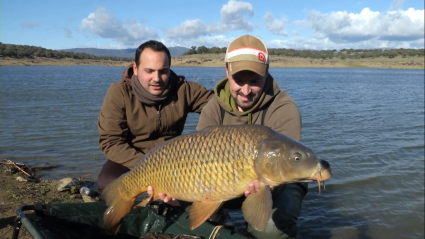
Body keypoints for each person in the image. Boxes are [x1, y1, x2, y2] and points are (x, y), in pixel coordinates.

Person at [195, 35, 308, 239]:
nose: (245, 91)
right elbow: (197, 161)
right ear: (227, 71)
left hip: (278, 182)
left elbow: (288, 164)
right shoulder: (214, 107)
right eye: (239, 80)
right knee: (187, 205)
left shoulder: (284, 109)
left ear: (266, 72)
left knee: (270, 230)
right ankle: (223, 229)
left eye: (255, 81)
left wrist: (269, 187)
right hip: (223, 178)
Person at [96, 40, 213, 193]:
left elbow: (220, 106)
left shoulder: (184, 90)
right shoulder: (119, 93)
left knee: (192, 196)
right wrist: (148, 168)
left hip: (174, 161)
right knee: (108, 185)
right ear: (136, 69)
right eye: (149, 71)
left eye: (163, 71)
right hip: (130, 158)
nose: (157, 78)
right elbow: (110, 142)